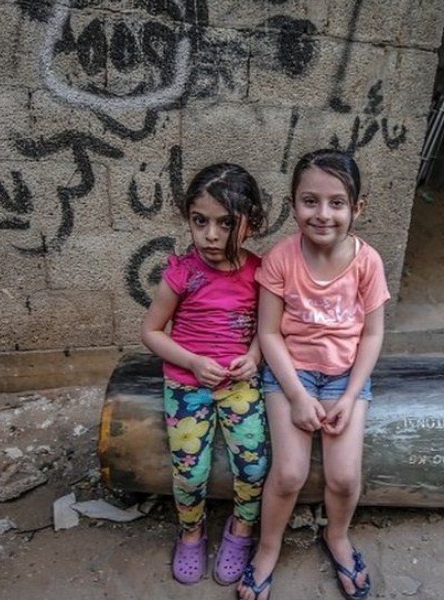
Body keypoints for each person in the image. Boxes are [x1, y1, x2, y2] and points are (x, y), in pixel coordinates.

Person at [237, 149, 390, 600]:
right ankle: (268, 548)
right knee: (288, 473)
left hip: (345, 378)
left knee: (343, 477)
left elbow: (373, 336)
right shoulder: (281, 259)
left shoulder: (368, 262)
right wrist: (298, 397)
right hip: (291, 375)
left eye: (337, 203)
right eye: (310, 201)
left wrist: (349, 397)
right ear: (293, 204)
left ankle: (337, 536)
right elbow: (268, 333)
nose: (323, 214)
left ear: (357, 208)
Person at [141, 163, 269, 586]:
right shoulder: (183, 272)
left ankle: (241, 530)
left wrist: (254, 357)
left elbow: (270, 330)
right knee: (190, 472)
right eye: (200, 221)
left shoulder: (261, 273)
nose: (211, 236)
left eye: (226, 223)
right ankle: (192, 533)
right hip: (186, 386)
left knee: (253, 468)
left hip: (239, 387)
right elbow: (151, 332)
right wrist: (193, 362)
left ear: (251, 223)